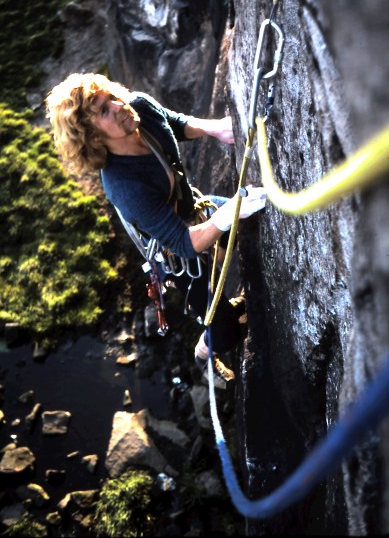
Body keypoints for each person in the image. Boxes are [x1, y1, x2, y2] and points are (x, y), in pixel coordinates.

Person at [46, 73, 266, 389]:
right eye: (104, 111)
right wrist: (229, 213)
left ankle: (234, 298)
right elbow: (182, 243)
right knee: (226, 332)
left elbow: (172, 123)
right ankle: (202, 355)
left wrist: (213, 128)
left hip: (192, 209)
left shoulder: (139, 108)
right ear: (92, 136)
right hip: (175, 252)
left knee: (258, 217)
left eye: (112, 98)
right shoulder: (123, 186)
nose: (119, 106)